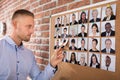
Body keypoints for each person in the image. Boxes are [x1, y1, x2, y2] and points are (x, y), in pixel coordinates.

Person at [0, 9, 63, 80]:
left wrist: (52, 64)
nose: (32, 31)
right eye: (29, 26)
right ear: (15, 24)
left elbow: (38, 78)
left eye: (32, 27)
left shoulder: (29, 55)